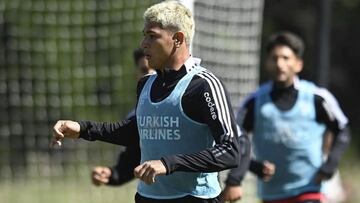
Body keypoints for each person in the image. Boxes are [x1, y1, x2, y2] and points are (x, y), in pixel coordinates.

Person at [51, 1, 241, 202]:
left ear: (177, 39)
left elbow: (230, 151)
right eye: (144, 36)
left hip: (194, 198)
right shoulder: (146, 84)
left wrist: (168, 164)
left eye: (152, 36)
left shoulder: (203, 85)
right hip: (147, 197)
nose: (143, 44)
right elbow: (136, 131)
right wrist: (82, 129)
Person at [221, 31, 351, 203]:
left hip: (310, 189)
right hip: (271, 194)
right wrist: (253, 166)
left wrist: (331, 164)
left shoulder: (316, 98)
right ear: (267, 63)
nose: (280, 64)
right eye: (274, 58)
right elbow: (234, 141)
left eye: (285, 58)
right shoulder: (254, 102)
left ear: (298, 64)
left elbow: (342, 130)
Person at [91, 48, 154, 187]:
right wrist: (110, 174)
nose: (150, 75)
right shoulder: (135, 117)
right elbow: (128, 166)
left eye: (155, 69)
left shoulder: (187, 106)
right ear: (136, 75)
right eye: (144, 70)